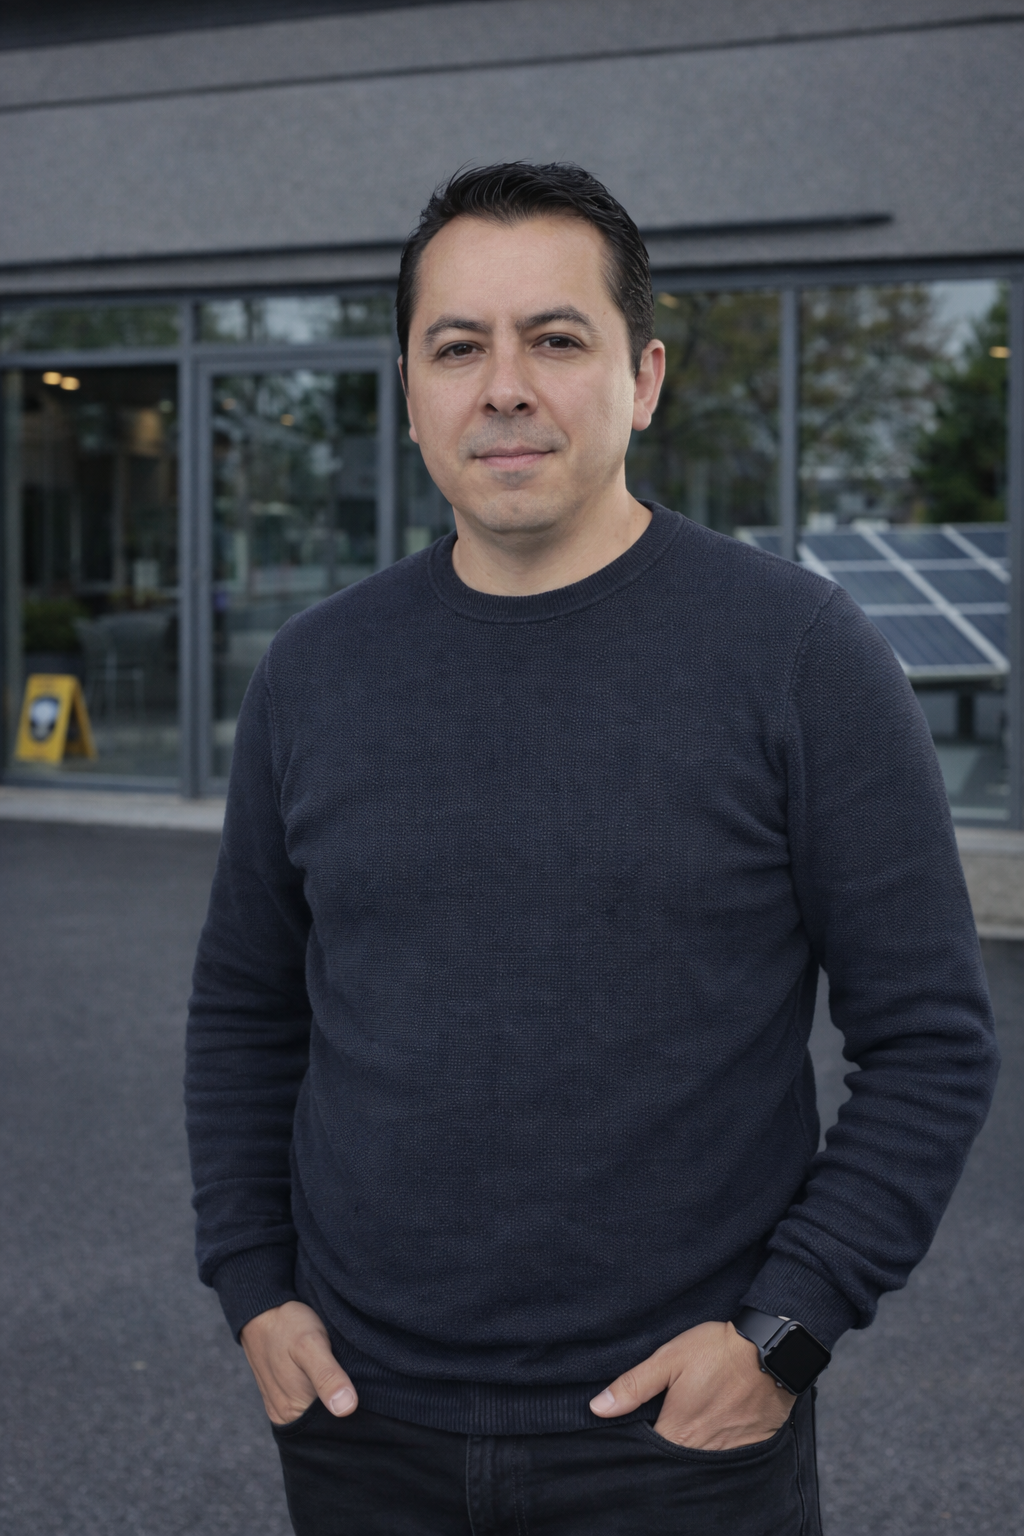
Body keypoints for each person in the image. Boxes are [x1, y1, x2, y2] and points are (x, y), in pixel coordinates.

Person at [185, 162, 999, 1535]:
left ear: (645, 378)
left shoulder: (801, 657)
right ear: (410, 392)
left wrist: (784, 1335)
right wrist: (254, 1287)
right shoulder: (313, 674)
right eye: (459, 347)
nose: (504, 387)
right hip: (360, 1424)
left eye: (556, 338)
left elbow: (931, 1040)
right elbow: (245, 1011)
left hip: (678, 1442)